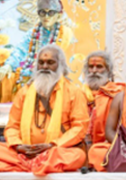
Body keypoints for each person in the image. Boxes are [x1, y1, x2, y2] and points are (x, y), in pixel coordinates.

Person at [0, 45, 89, 175]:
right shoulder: (24, 92)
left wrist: (52, 145)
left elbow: (79, 127)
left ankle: (28, 165)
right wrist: (18, 146)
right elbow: (12, 126)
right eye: (41, 63)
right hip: (24, 153)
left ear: (60, 65)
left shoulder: (74, 92)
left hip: (55, 152)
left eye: (50, 62)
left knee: (77, 156)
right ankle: (36, 165)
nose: (45, 67)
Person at [0, 0, 75, 101]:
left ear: (59, 15)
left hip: (53, 74)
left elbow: (70, 59)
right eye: (42, 12)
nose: (46, 16)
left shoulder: (66, 34)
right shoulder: (33, 32)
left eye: (51, 13)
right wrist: (8, 65)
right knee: (7, 76)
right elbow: (20, 50)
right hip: (29, 71)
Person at [82, 51, 125, 148]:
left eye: (99, 67)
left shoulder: (116, 93)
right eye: (91, 67)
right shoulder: (79, 94)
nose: (94, 71)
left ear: (108, 70)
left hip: (107, 145)